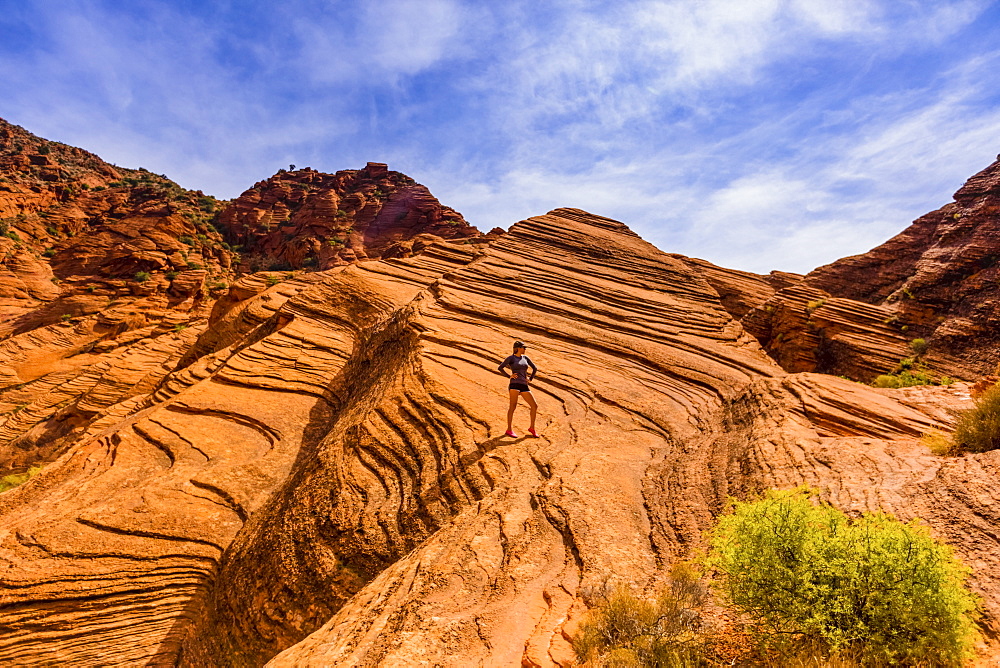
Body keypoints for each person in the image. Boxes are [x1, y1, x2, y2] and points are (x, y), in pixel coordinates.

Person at [497, 341, 538, 438]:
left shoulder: (525, 358)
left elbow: (535, 368)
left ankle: (532, 428)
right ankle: (509, 430)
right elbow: (500, 367)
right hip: (514, 385)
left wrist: (530, 379)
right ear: (518, 348)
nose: (525, 349)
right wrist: (509, 376)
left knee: (534, 406)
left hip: (524, 385)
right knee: (513, 406)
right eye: (524, 348)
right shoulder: (511, 358)